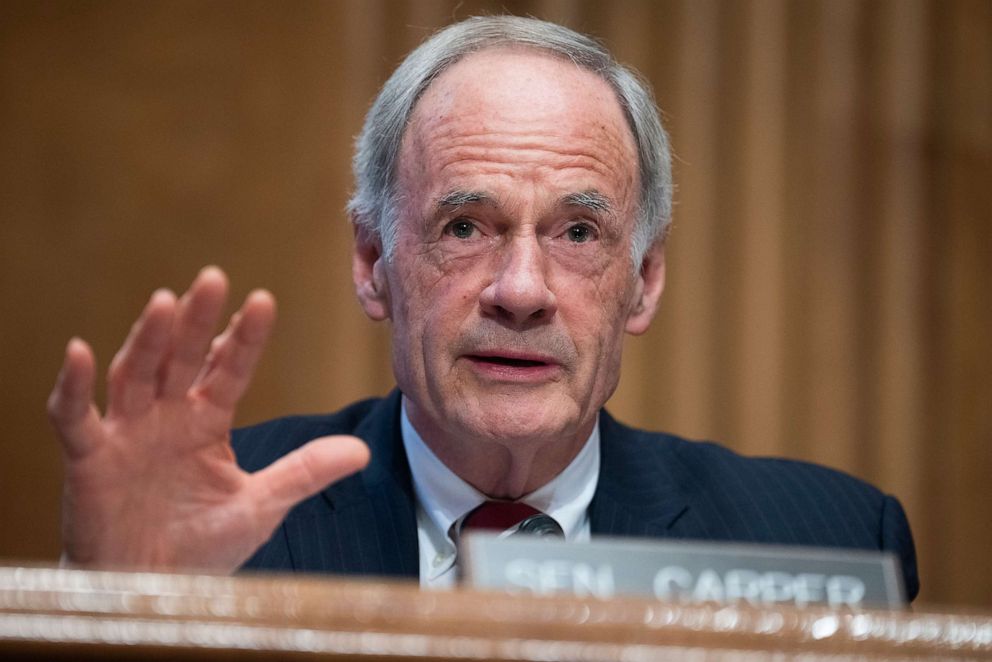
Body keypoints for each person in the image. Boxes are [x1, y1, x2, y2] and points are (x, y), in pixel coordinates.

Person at [47, 16, 918, 599]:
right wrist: (117, 608)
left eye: (579, 233)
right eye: (465, 225)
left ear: (644, 280)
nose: (522, 290)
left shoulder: (831, 545)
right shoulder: (218, 532)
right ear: (372, 262)